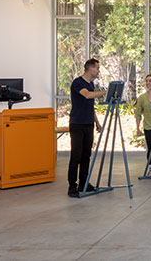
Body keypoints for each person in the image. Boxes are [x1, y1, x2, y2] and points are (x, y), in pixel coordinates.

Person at [68, 58, 107, 198]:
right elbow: (87, 95)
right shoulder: (78, 83)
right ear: (90, 68)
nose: (98, 71)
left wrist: (96, 121)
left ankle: (84, 182)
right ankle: (72, 186)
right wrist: (105, 92)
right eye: (97, 68)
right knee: (76, 155)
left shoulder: (90, 84)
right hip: (77, 124)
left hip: (88, 123)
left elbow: (90, 106)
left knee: (86, 155)